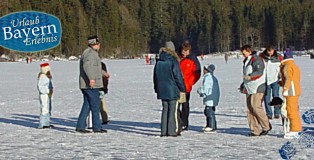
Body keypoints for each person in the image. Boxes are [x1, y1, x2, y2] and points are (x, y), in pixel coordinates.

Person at [153, 41, 186, 137]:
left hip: (162, 89)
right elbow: (178, 76)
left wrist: (157, 88)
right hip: (172, 89)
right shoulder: (173, 60)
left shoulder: (159, 61)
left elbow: (155, 77)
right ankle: (171, 131)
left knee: (165, 110)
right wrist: (182, 88)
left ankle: (164, 131)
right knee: (172, 110)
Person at [76, 35, 107, 133]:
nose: (99, 46)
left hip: (87, 84)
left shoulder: (92, 53)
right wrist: (91, 79)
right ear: (95, 44)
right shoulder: (90, 54)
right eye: (98, 44)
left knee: (87, 105)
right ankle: (97, 127)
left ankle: (80, 126)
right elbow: (88, 67)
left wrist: (103, 73)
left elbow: (95, 68)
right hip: (90, 85)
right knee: (95, 105)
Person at [240, 45, 271, 136]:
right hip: (249, 87)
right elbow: (246, 74)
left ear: (249, 51)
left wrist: (250, 77)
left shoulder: (256, 59)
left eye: (244, 52)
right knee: (250, 109)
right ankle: (254, 130)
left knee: (256, 106)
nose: (243, 54)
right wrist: (243, 84)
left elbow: (259, 72)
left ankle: (266, 126)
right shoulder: (247, 60)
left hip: (258, 87)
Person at [178, 41, 201, 131]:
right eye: (183, 50)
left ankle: (184, 123)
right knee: (176, 105)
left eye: (186, 51)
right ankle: (178, 121)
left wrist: (190, 83)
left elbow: (197, 73)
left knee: (185, 105)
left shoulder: (193, 59)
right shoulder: (178, 57)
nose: (184, 52)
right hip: (177, 85)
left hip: (186, 86)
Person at [279, 50, 302, 139]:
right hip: (295, 89)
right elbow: (295, 78)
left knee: (291, 111)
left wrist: (285, 88)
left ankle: (295, 130)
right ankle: (296, 128)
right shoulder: (294, 66)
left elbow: (289, 78)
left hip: (291, 91)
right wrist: (282, 83)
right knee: (294, 110)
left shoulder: (287, 66)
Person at [259, 45, 283, 119]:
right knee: (267, 97)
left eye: (271, 51)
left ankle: (277, 112)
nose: (270, 53)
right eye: (269, 51)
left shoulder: (278, 57)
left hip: (275, 80)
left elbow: (281, 68)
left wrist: (280, 78)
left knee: (276, 96)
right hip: (265, 80)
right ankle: (269, 113)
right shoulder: (262, 57)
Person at [197, 64, 220, 133]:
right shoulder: (212, 77)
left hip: (210, 98)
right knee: (209, 111)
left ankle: (211, 126)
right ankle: (211, 125)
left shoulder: (208, 78)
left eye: (204, 69)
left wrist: (200, 91)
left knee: (209, 112)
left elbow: (206, 89)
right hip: (212, 97)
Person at [87, 61, 110, 128]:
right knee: (101, 104)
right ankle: (103, 119)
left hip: (99, 88)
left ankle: (103, 119)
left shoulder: (99, 66)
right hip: (98, 88)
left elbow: (105, 80)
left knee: (99, 105)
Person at [37, 63, 53, 129]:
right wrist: (47, 91)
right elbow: (40, 87)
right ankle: (42, 123)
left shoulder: (46, 76)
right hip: (44, 95)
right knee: (44, 108)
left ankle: (47, 122)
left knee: (48, 108)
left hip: (47, 95)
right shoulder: (43, 76)